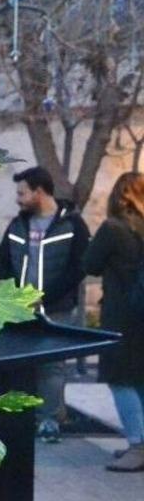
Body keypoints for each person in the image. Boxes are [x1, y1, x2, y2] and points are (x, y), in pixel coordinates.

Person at [0, 166, 90, 442]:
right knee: (20, 364)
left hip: (56, 308)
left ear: (39, 191)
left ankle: (49, 420)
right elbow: (3, 261)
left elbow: (80, 266)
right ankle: (24, 418)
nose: (18, 198)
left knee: (52, 365)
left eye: (22, 192)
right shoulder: (17, 225)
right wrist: (15, 295)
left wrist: (47, 296)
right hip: (21, 308)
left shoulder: (72, 224)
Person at [84, 172, 144, 471]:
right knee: (140, 380)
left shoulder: (112, 228)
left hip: (121, 315)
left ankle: (137, 445)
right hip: (141, 315)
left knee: (119, 380)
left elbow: (89, 264)